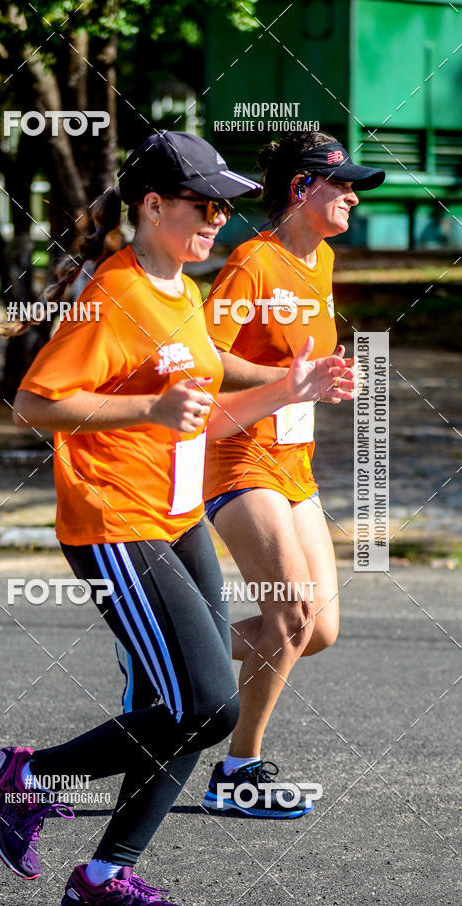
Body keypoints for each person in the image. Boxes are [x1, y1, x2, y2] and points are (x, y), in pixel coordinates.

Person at [0, 131, 356, 906]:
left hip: (179, 518)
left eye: (224, 205)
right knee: (206, 704)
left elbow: (207, 420)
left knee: (190, 708)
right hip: (118, 522)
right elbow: (35, 402)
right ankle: (25, 774)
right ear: (152, 205)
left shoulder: (182, 292)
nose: (218, 217)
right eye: (202, 203)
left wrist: (293, 387)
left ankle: (105, 875)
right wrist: (147, 404)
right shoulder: (115, 296)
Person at [196, 130, 384, 818]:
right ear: (303, 191)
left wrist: (331, 380)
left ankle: (172, 655)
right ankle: (238, 770)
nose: (354, 198)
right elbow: (207, 357)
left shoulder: (322, 258)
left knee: (319, 629)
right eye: (343, 186)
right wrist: (290, 377)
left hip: (293, 464)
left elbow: (304, 365)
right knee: (292, 613)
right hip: (238, 456)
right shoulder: (253, 262)